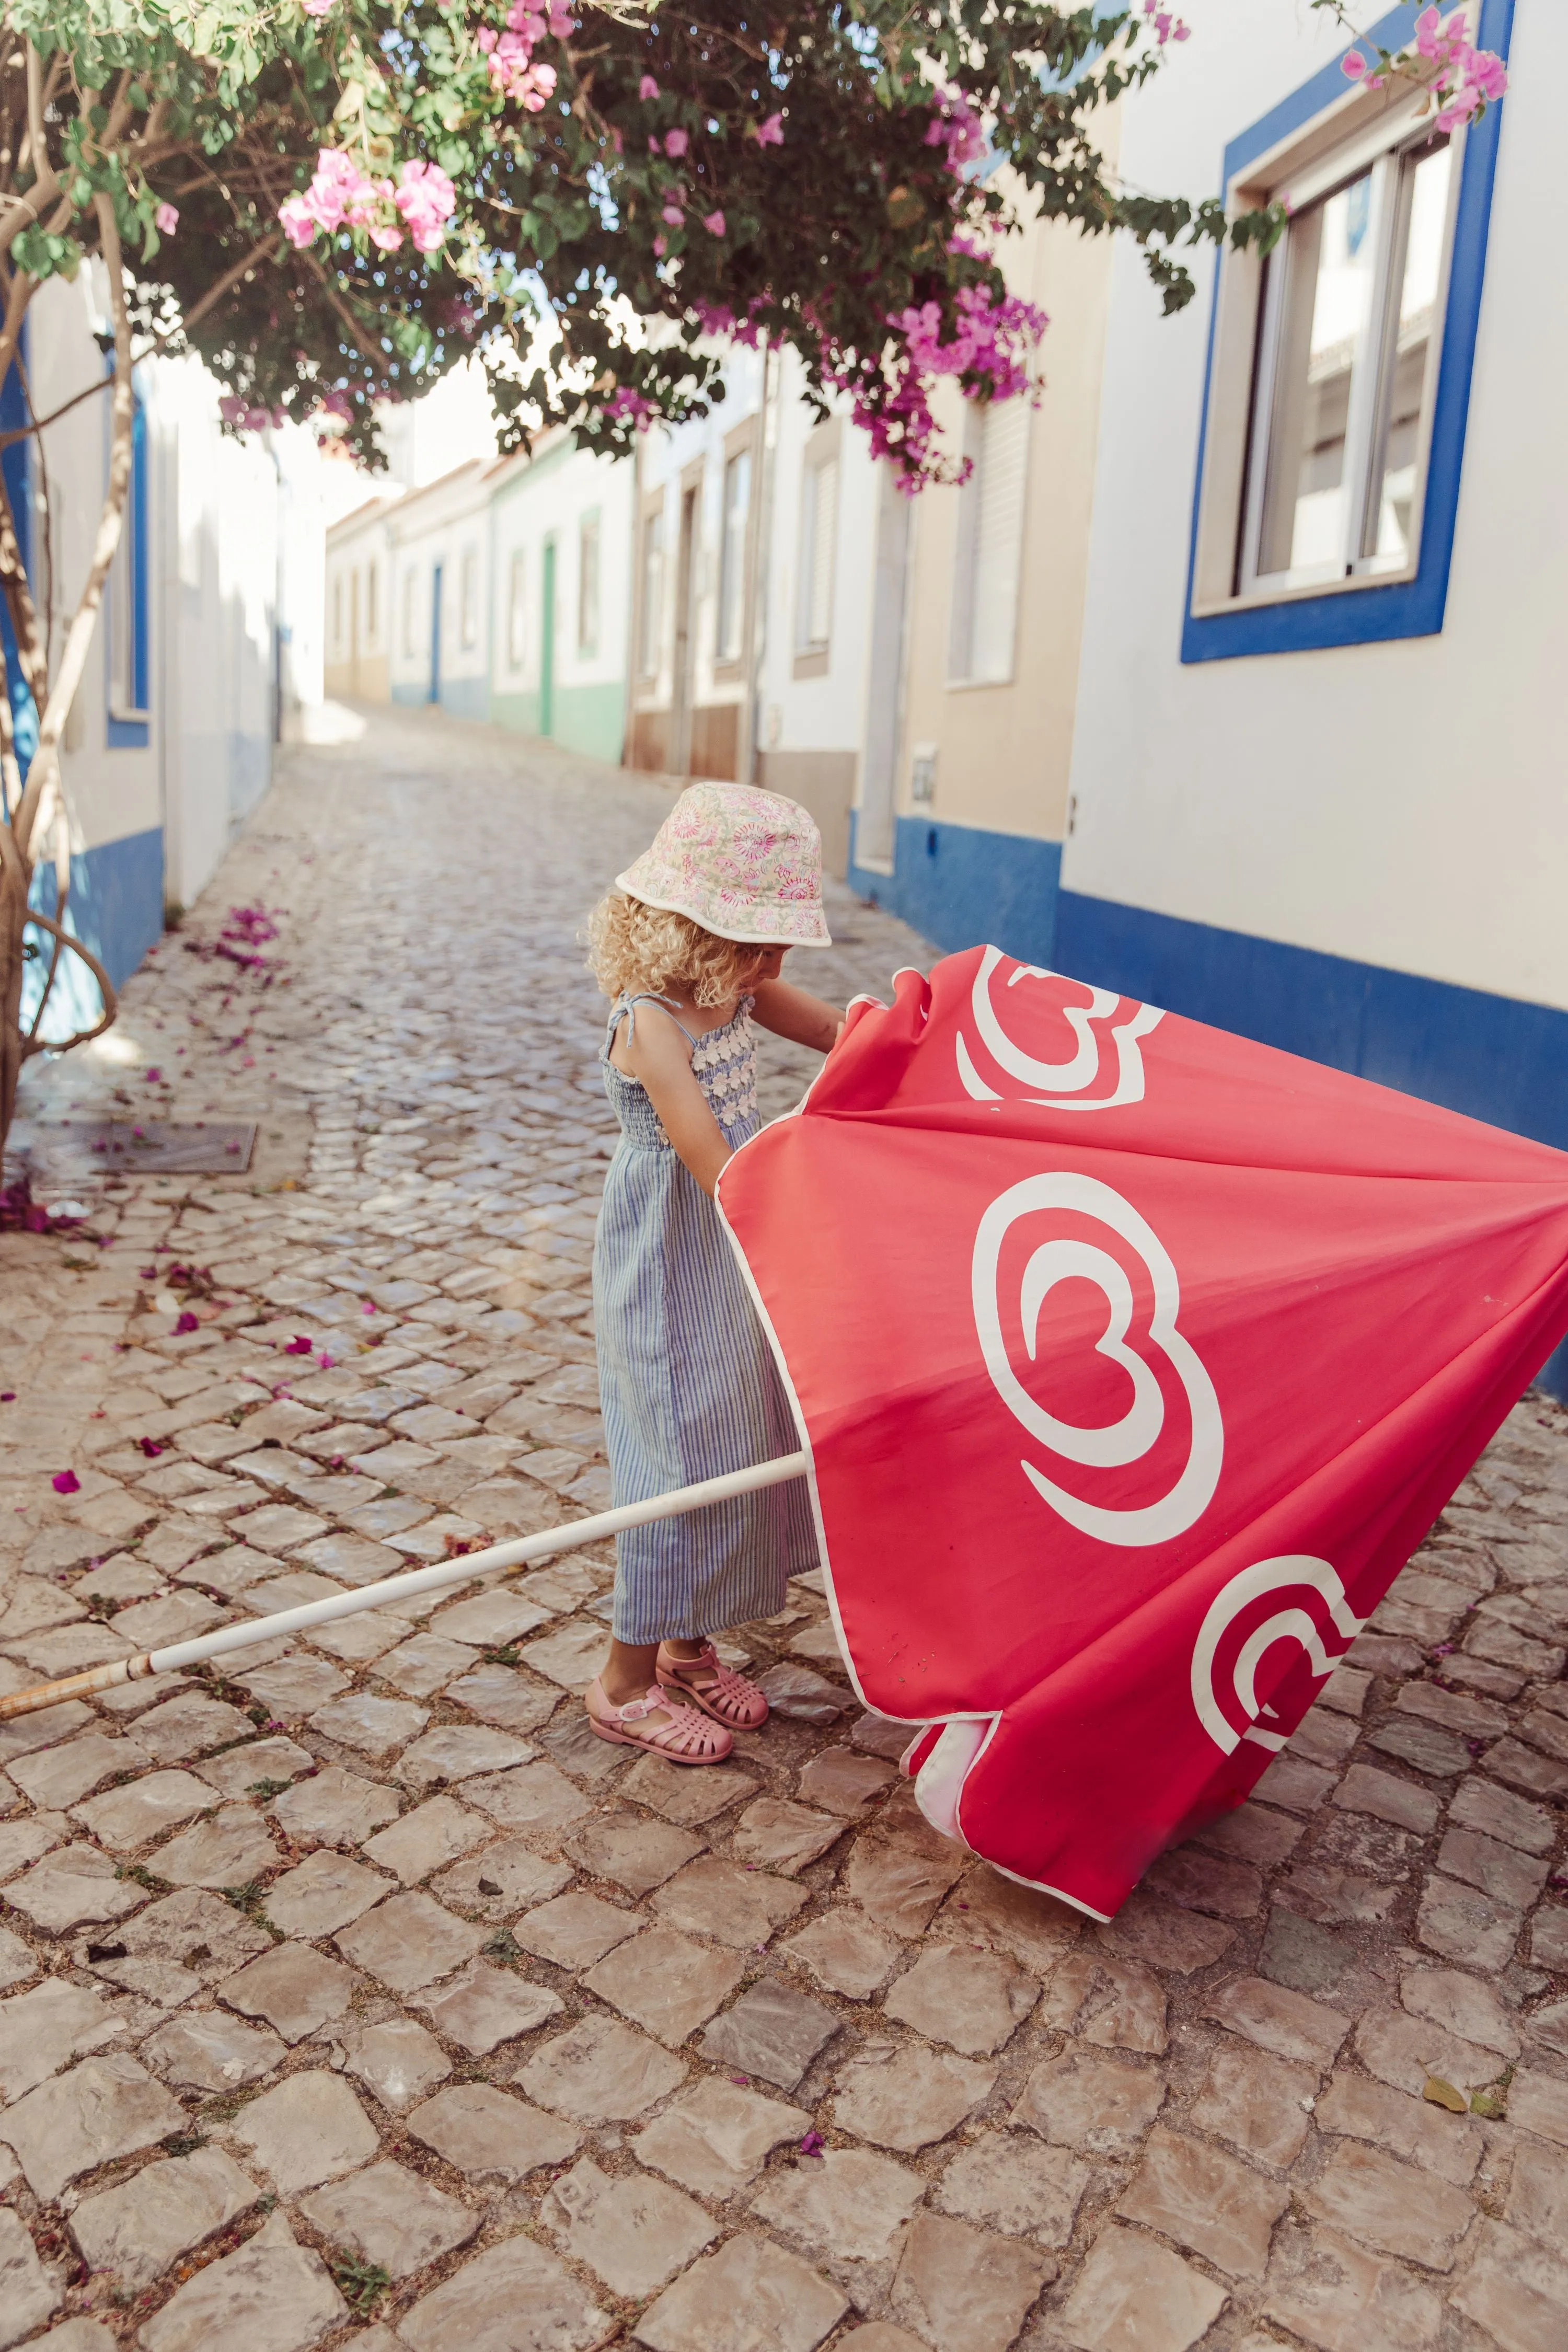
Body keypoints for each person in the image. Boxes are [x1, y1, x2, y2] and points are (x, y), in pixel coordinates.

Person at [582, 782, 842, 1763]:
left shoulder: (737, 988)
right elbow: (710, 1156)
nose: (772, 968)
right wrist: (811, 1186)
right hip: (673, 1256)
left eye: (779, 950)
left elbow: (831, 1032)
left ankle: (689, 1649)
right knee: (673, 1462)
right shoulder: (649, 1022)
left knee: (735, 1438)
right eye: (754, 945)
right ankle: (620, 1680)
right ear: (689, 929)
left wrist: (897, 1037)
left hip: (732, 1253)